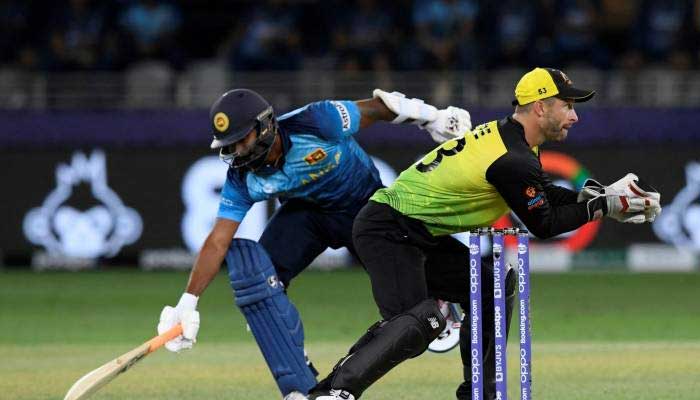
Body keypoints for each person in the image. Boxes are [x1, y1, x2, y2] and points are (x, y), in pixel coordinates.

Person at [309, 67, 662, 400]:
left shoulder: (514, 141)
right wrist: (604, 208)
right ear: (540, 107)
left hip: (415, 231)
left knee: (492, 282)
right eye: (567, 106)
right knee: (422, 322)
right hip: (388, 228)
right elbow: (544, 223)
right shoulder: (512, 157)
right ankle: (334, 392)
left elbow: (543, 194)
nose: (575, 115)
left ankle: (481, 392)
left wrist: (598, 196)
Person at [155, 87, 472, 400]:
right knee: (259, 281)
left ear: (264, 127)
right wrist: (187, 302)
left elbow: (380, 107)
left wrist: (434, 118)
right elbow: (218, 240)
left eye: (241, 140)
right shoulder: (242, 178)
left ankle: (440, 300)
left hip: (364, 208)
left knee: (407, 312)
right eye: (230, 145)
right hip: (307, 215)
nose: (237, 152)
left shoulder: (317, 121)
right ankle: (298, 379)